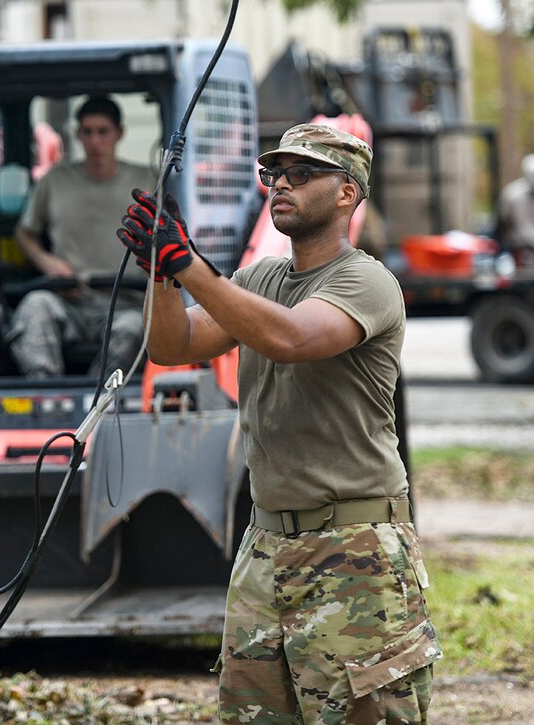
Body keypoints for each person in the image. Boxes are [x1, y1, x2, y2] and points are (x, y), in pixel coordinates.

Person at [117, 124, 440, 723]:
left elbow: (289, 337)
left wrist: (186, 262)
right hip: (265, 546)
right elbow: (173, 343)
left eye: (301, 174)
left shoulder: (366, 282)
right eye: (274, 174)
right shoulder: (259, 278)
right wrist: (160, 272)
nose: (280, 185)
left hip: (355, 550)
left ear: (346, 193)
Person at [7, 96, 156, 378]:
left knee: (133, 328)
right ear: (77, 134)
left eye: (103, 132)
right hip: (70, 304)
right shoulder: (54, 181)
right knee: (34, 306)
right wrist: (47, 262)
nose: (95, 141)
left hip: (126, 303)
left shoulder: (147, 180)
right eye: (87, 132)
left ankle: (94, 402)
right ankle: (46, 395)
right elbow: (24, 233)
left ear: (119, 134)